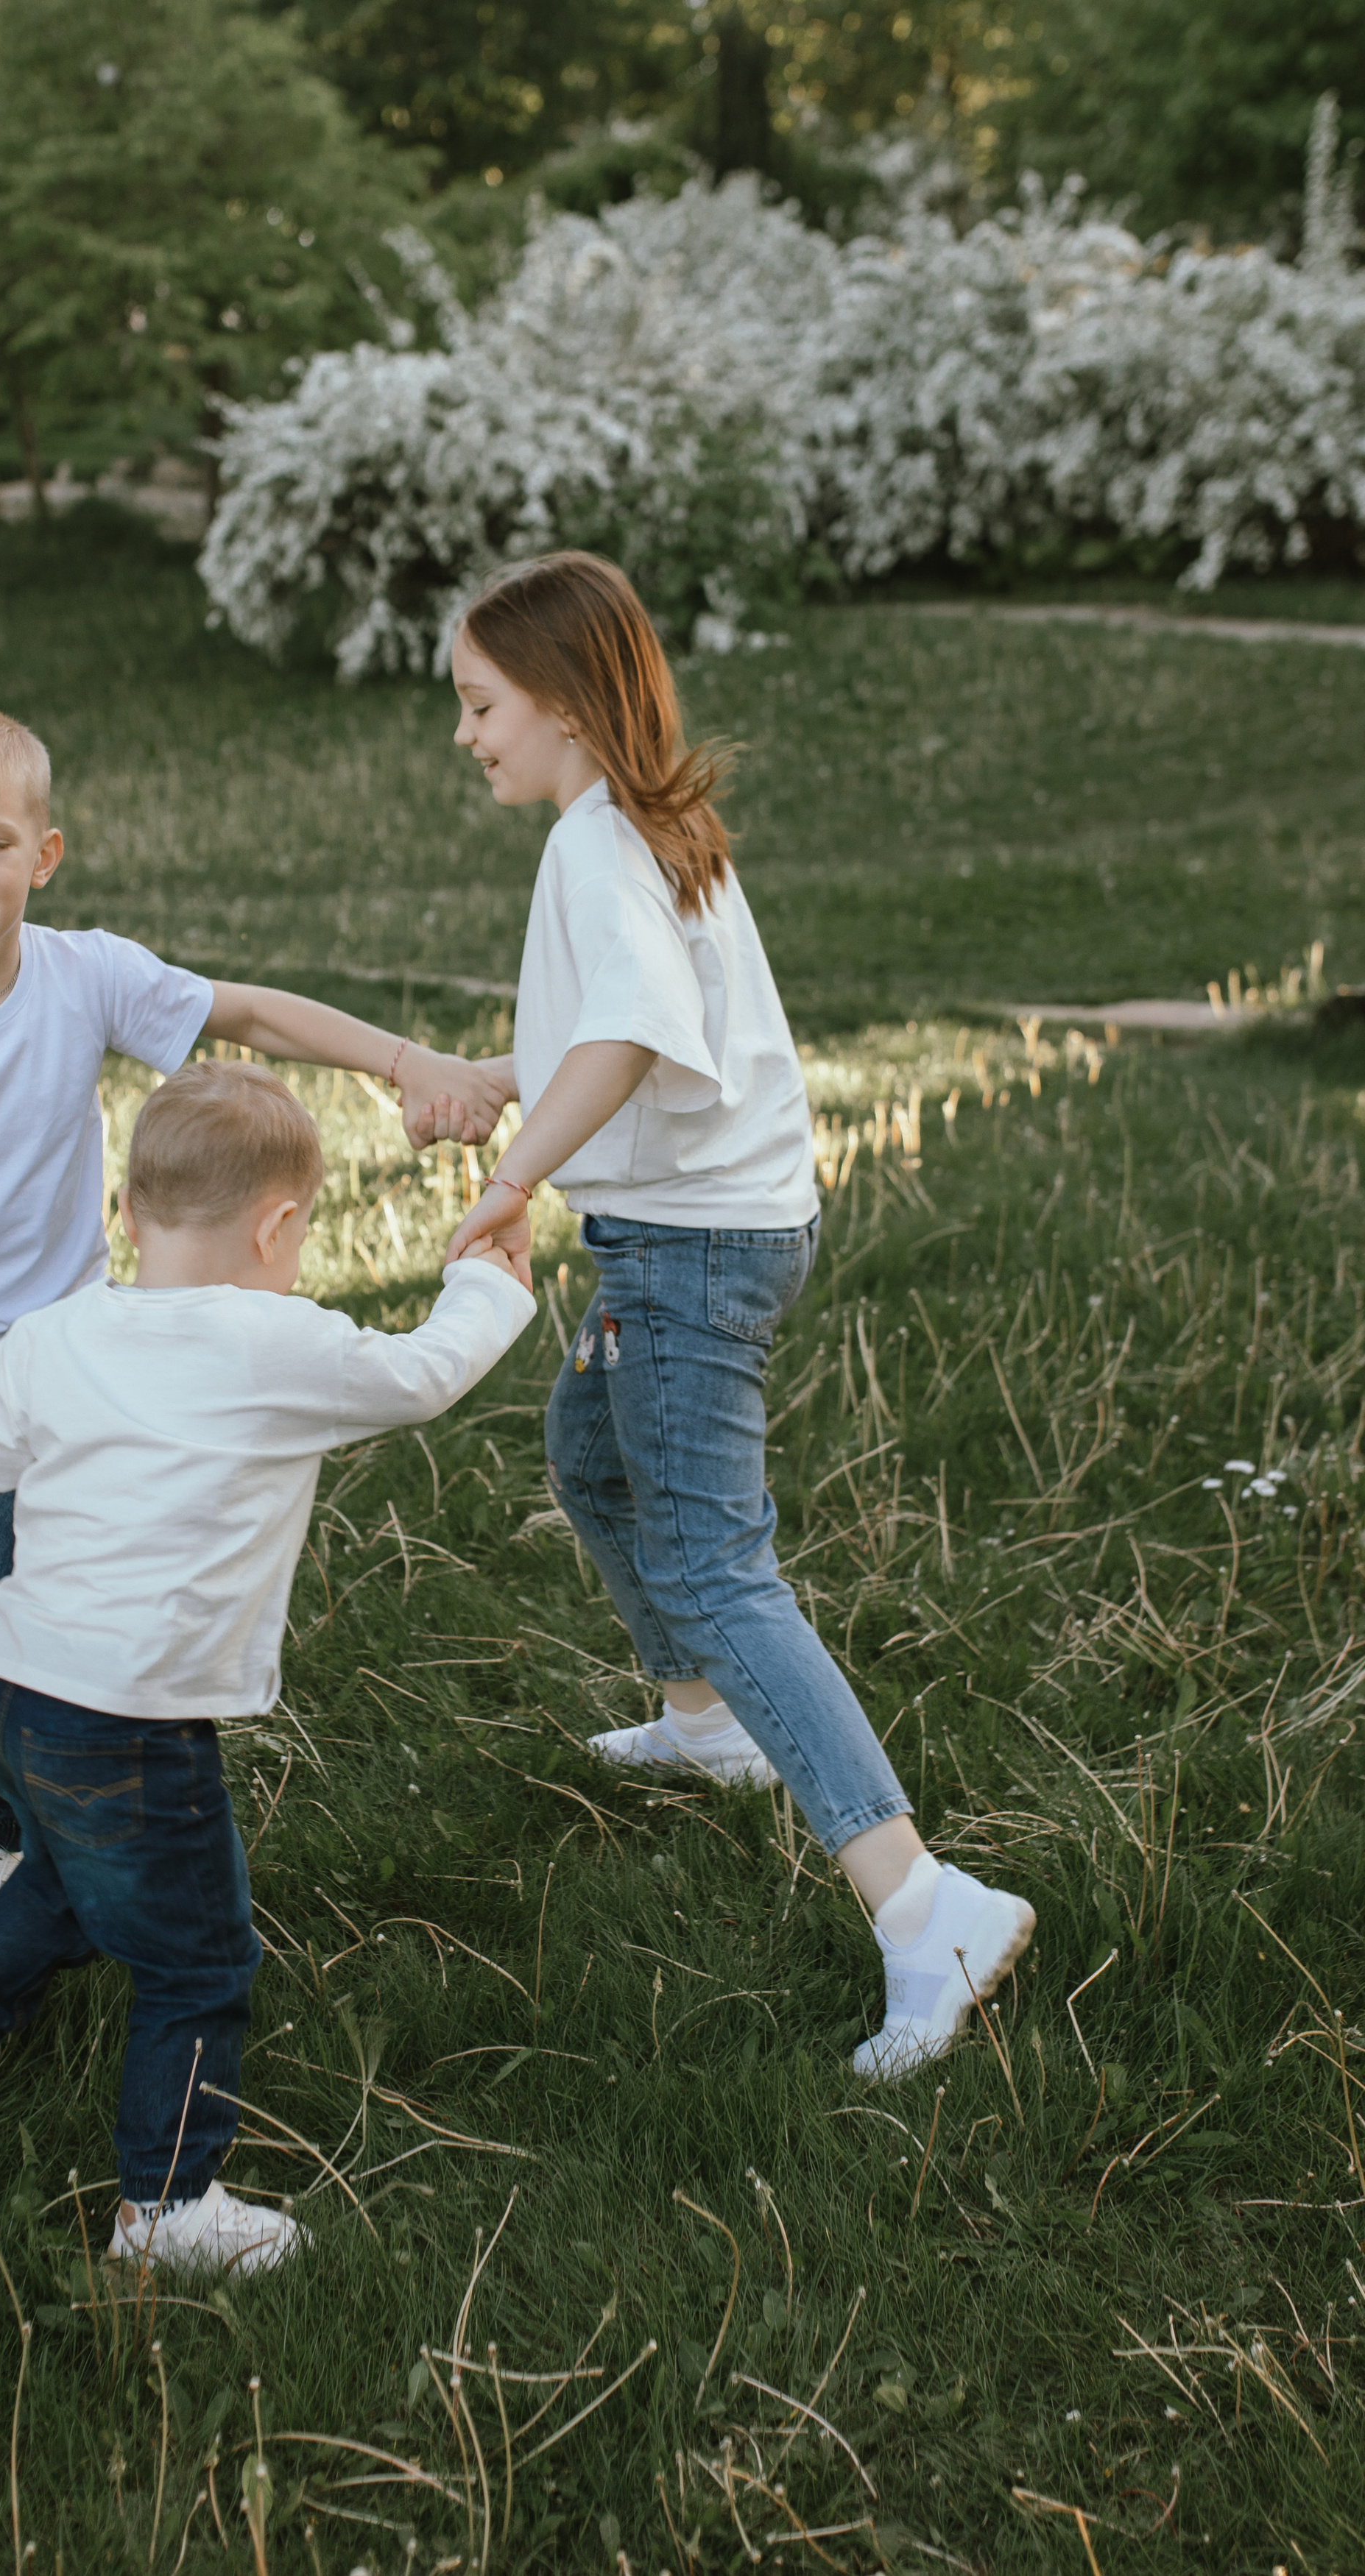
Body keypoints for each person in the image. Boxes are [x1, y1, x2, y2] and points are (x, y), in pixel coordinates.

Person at [437, 553, 1034, 2081]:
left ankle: (923, 1906)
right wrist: (510, 1078)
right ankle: (702, 1721)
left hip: (687, 1256)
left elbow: (636, 1030)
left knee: (711, 1557)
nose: (465, 733)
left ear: (562, 704)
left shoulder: (593, 843)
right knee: (592, 1456)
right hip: (711, 1228)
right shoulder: (642, 824)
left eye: (481, 703)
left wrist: (510, 1180)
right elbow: (627, 1024)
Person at [0, 704, 507, 1942]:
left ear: (45, 855)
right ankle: (11, 1781)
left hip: (61, 1367)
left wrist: (405, 1064)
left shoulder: (83, 976)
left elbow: (252, 1018)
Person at [0, 1060, 535, 2274]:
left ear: (126, 1212)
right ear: (280, 1226)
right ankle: (165, 2209)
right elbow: (423, 1376)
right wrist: (484, 1290)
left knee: (72, 1871)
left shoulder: (53, 1334)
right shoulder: (275, 1341)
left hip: (14, 1692)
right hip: (132, 1715)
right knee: (198, 1956)